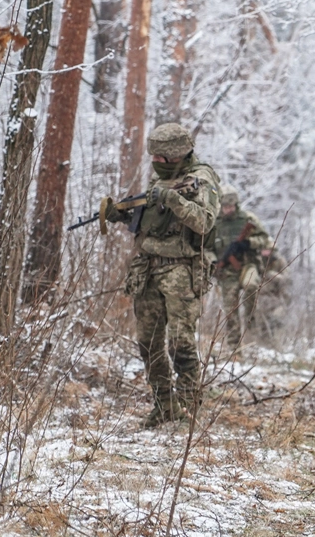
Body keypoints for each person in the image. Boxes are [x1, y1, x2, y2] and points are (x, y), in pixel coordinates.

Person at [106, 123, 220, 427]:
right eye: (154, 157)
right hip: (148, 268)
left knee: (180, 342)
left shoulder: (202, 179)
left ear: (177, 156)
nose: (155, 162)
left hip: (182, 269)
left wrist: (172, 200)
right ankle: (165, 406)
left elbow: (204, 221)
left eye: (161, 158)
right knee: (148, 342)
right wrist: (124, 216)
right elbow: (153, 223)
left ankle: (187, 409)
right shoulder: (162, 177)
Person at [212, 184, 290, 347]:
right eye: (225, 206)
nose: (228, 210)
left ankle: (251, 319)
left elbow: (265, 240)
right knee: (230, 310)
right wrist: (213, 262)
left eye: (231, 206)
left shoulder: (248, 219)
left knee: (251, 285)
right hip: (226, 271)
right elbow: (205, 247)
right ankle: (235, 348)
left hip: (248, 265)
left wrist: (248, 243)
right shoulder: (214, 223)